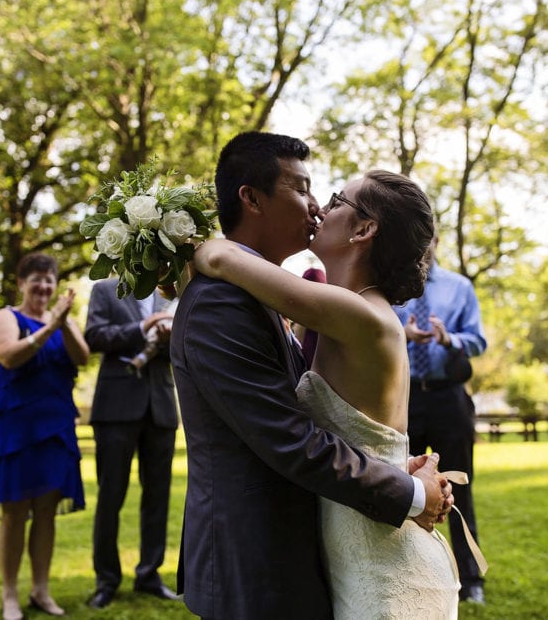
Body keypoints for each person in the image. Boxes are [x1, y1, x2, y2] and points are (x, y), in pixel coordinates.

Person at [172, 131, 453, 619]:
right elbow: (293, 435)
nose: (319, 207)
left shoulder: (353, 312)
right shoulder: (227, 302)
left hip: (360, 544)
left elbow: (219, 257)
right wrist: (404, 486)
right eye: (304, 189)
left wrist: (208, 254)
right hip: (265, 556)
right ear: (252, 197)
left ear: (364, 231)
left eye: (333, 198)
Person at [0, 253, 90, 620]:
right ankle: (9, 594)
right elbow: (9, 356)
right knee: (15, 512)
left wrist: (65, 324)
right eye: (36, 279)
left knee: (46, 513)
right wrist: (49, 327)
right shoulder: (7, 317)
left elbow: (83, 358)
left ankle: (40, 589)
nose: (43, 286)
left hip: (55, 428)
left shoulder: (62, 320)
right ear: (22, 282)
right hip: (15, 429)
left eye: (49, 279)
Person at [392, 233, 488, 604]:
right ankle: (409, 572)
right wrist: (404, 333)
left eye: (425, 237)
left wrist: (449, 340)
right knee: (404, 484)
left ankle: (470, 578)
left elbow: (478, 340)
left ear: (434, 239)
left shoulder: (459, 287)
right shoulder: (394, 284)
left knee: (460, 486)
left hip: (449, 398)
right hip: (405, 397)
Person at [83, 278, 180, 609]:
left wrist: (168, 337)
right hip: (115, 407)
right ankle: (106, 580)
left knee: (158, 498)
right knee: (111, 496)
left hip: (161, 407)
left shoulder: (170, 293)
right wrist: (143, 326)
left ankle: (149, 574)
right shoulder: (105, 290)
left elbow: (184, 347)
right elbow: (95, 336)